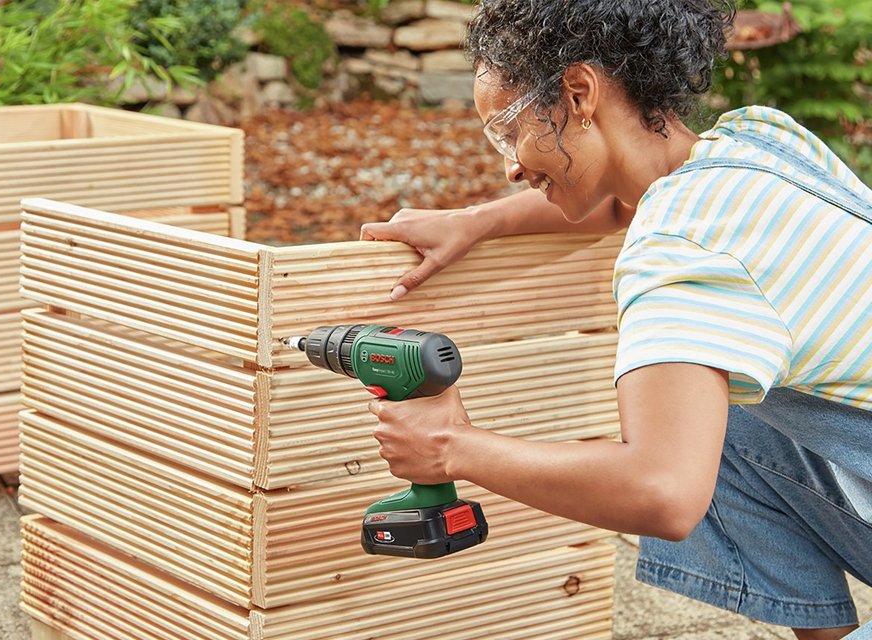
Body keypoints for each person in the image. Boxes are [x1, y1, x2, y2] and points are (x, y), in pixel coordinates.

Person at [358, 1, 872, 639]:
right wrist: (476, 221)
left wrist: (451, 448)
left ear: (579, 93)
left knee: (676, 435)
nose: (509, 165)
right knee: (709, 411)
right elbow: (622, 203)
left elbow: (662, 490)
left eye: (507, 131)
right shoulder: (755, 143)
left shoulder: (678, 253)